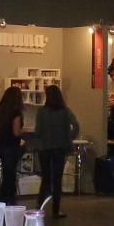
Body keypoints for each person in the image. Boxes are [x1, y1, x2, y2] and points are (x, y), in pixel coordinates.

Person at [35, 84, 80, 219]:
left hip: (44, 148)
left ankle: (39, 206)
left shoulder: (41, 112)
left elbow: (38, 130)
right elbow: (76, 125)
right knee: (57, 179)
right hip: (60, 148)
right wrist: (69, 137)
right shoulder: (65, 111)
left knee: (46, 178)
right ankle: (56, 210)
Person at [0, 86, 25, 205]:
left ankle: (2, 199)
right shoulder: (16, 113)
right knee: (10, 174)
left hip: (0, 145)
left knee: (5, 173)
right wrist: (23, 131)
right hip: (11, 146)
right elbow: (16, 132)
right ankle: (9, 199)